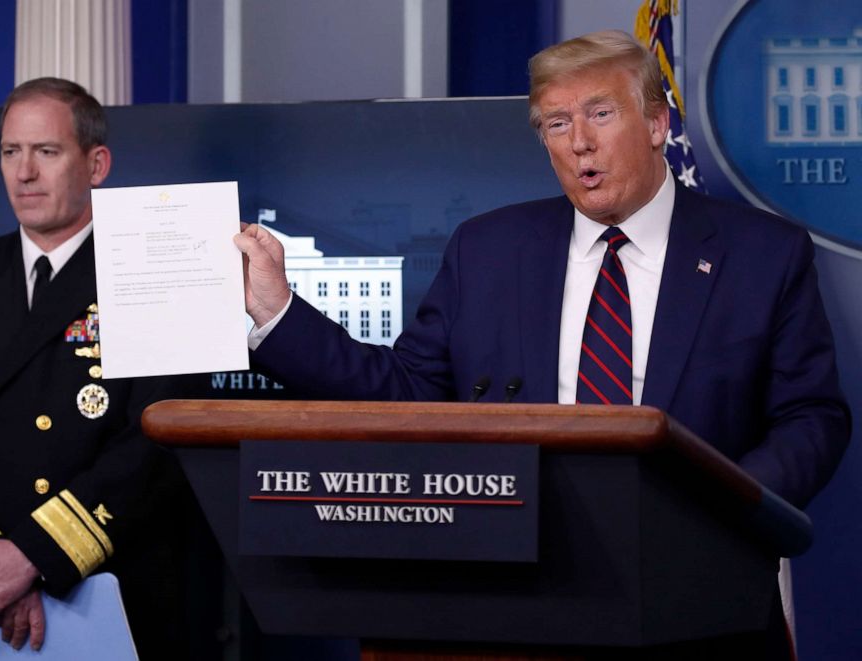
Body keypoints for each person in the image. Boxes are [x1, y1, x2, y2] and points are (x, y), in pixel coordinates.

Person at [235, 32, 850, 653]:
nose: (579, 141)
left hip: (697, 598)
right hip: (517, 595)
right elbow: (408, 392)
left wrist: (729, 510)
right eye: (556, 123)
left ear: (658, 122)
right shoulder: (488, 249)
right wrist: (276, 310)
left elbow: (810, 416)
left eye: (600, 113)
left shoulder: (762, 254)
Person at [0, 77, 201, 659]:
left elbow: (160, 444)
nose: (24, 172)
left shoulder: (157, 276)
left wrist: (33, 556)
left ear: (96, 164)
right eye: (11, 152)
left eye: (47, 151)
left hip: (104, 593)